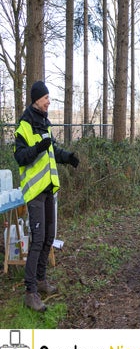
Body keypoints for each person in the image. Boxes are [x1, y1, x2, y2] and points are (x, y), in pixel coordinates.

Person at [14, 81, 79, 312]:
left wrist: (67, 157)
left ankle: (41, 281)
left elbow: (51, 151)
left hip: (49, 189)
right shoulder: (25, 125)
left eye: (49, 98)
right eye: (46, 98)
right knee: (38, 239)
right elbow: (20, 157)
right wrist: (39, 148)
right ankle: (30, 292)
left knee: (49, 237)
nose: (49, 102)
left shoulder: (45, 123)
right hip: (34, 192)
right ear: (36, 99)